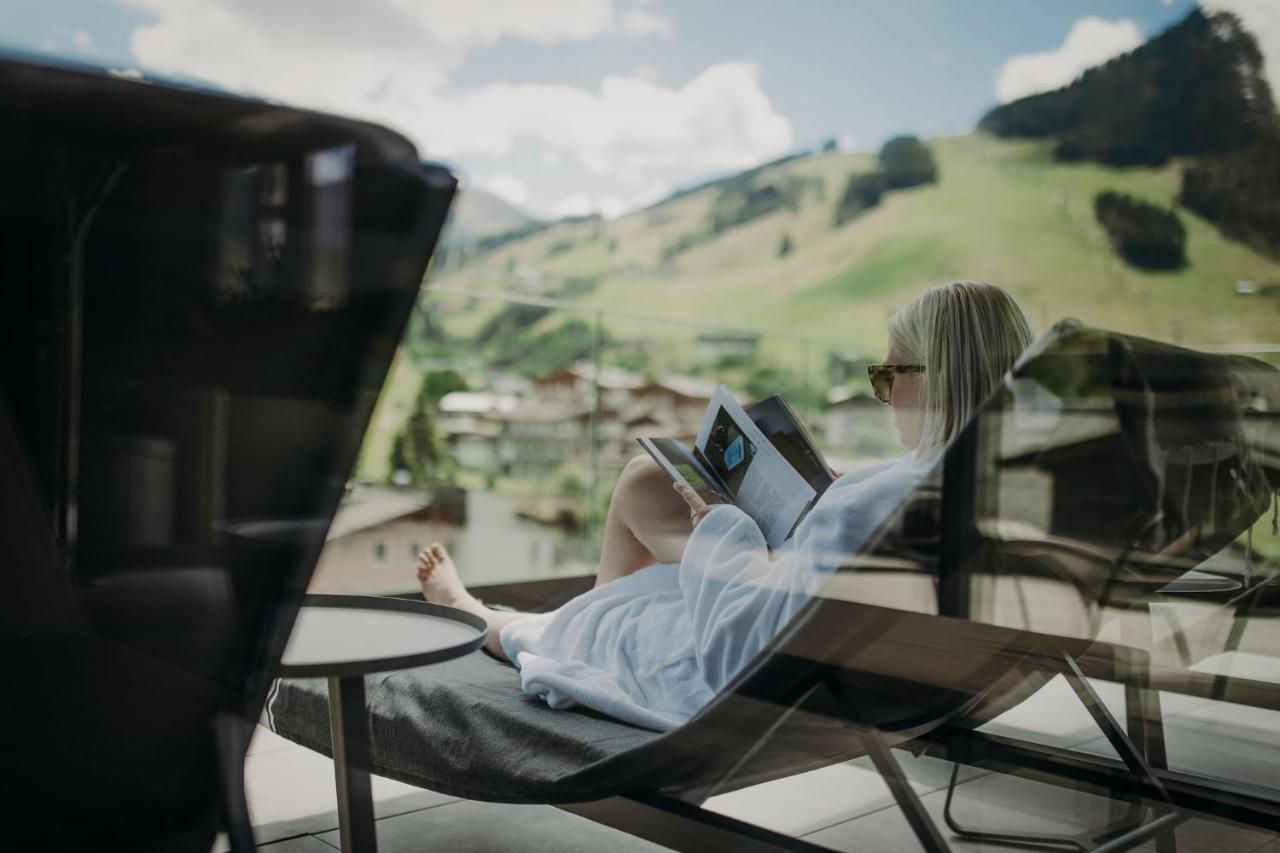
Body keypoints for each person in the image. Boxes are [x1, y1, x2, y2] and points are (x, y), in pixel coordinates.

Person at [416, 281, 1034, 730]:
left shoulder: (884, 504)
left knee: (582, 628)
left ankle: (470, 611)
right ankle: (564, 614)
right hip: (897, 667)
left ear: (936, 378)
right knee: (642, 488)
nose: (884, 395)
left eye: (887, 376)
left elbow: (737, 653)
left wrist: (723, 522)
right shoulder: (1018, 490)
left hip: (780, 687)